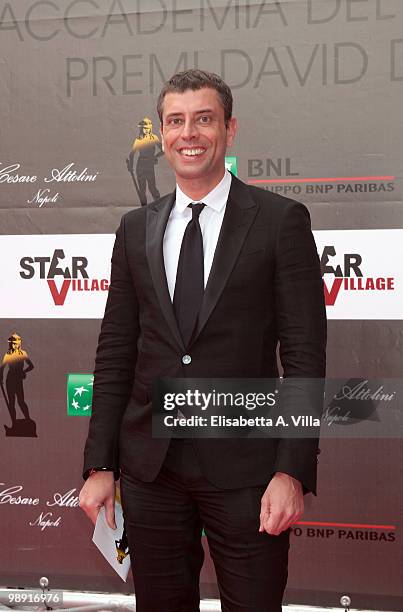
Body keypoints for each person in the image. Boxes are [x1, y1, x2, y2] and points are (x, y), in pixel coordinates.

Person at [79, 69, 326, 612]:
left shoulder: (280, 221)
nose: (189, 133)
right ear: (162, 134)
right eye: (176, 121)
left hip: (249, 473)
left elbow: (305, 356)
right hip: (151, 472)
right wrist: (100, 465)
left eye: (204, 119)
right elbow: (117, 350)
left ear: (230, 129)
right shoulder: (134, 228)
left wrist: (291, 471)